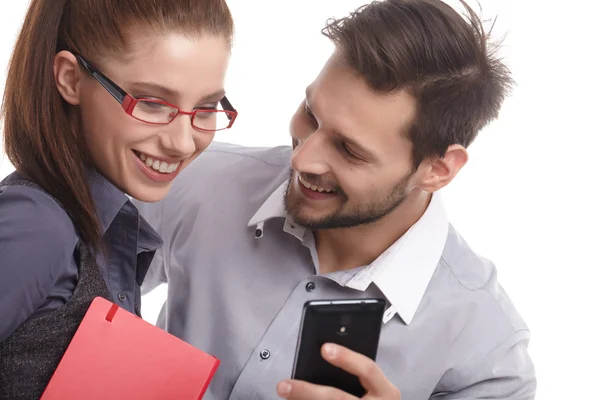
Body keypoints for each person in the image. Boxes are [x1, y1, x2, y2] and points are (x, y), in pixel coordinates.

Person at [136, 0, 536, 399]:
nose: (301, 158)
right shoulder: (196, 182)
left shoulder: (487, 358)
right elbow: (80, 300)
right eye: (311, 113)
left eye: (349, 150)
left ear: (438, 170)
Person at [0, 0, 235, 398]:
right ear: (71, 80)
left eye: (207, 107)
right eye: (152, 104)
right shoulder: (38, 226)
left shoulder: (98, 223)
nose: (182, 142)